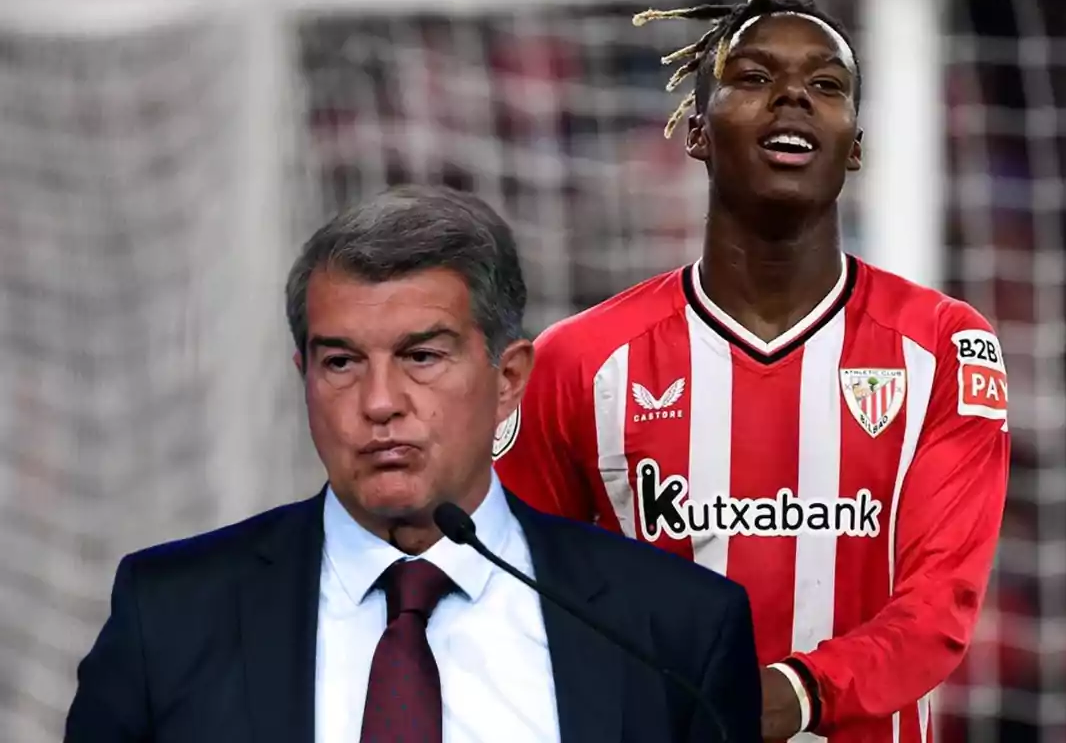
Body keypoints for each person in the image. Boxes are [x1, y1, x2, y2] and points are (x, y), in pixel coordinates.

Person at [492, 0, 1011, 743]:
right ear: (697, 131)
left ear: (855, 147)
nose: (794, 96)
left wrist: (796, 690)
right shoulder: (581, 362)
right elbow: (514, 593)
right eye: (755, 76)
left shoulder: (943, 346)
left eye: (827, 84)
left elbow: (940, 605)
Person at [65, 185, 762, 743]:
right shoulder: (169, 615)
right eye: (340, 362)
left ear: (508, 379)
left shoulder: (673, 629)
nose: (378, 403)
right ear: (301, 373)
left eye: (421, 357)